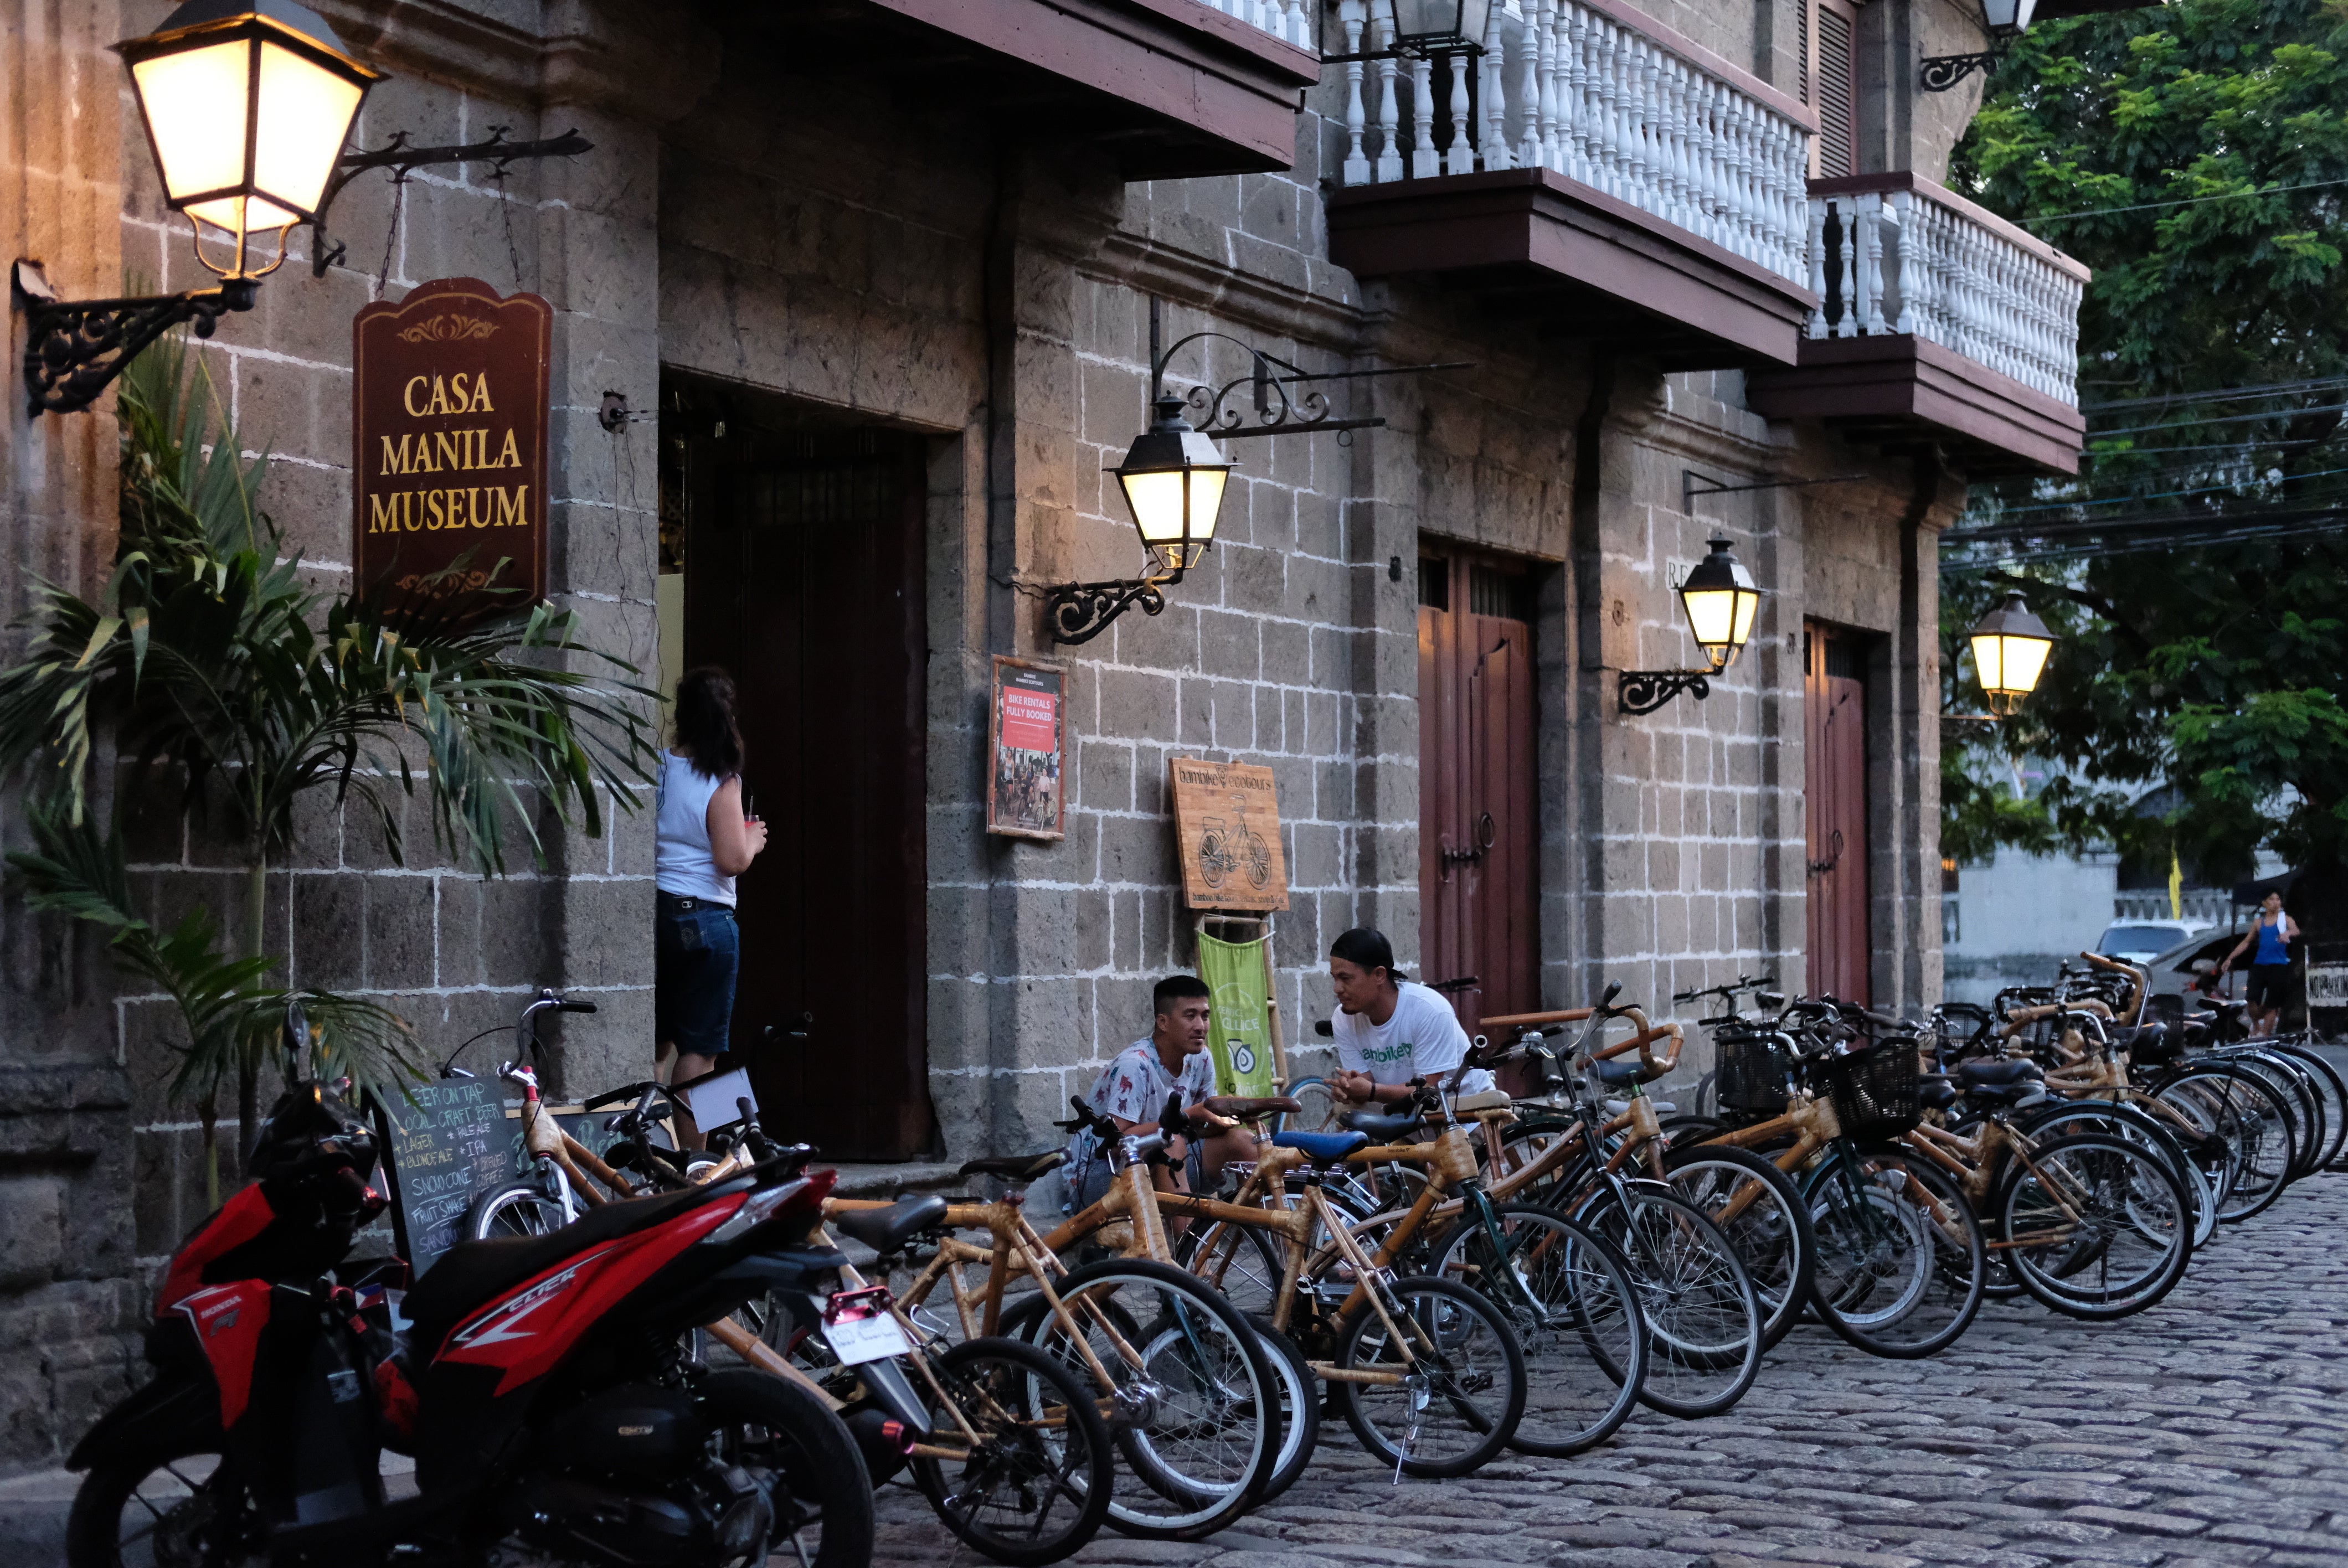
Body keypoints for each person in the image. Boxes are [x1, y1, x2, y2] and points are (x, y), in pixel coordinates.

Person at [655, 668, 768, 1138]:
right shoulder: (723, 778)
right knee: (702, 1054)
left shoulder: (658, 765)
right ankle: (699, 1161)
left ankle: (651, 1156)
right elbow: (729, 860)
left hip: (659, 914)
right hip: (706, 919)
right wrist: (754, 838)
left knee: (659, 1046)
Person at [1063, 975, 1257, 1215]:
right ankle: (1185, 1248)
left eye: (1205, 1016)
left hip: (1160, 1164)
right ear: (1163, 1022)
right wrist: (1186, 1117)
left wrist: (1224, 1120)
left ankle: (1271, 1242)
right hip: (1098, 1178)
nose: (1201, 1026)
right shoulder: (1135, 1065)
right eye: (1190, 1016)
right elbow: (1114, 1145)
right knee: (1170, 1142)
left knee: (1246, 1143)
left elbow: (1201, 1128)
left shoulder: (1202, 1058)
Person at [1326, 927, 1494, 1106]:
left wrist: (1371, 1091)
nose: (1337, 989)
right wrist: (1349, 1090)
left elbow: (1428, 1089)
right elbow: (1364, 1084)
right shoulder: (1343, 1019)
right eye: (1335, 978)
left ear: (1379, 975)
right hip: (1402, 1121)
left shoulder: (1429, 1010)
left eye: (1346, 978)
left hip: (1466, 1116)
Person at [2218, 889, 2301, 1039]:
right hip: (2260, 965)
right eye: (2272, 899)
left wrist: (2287, 934)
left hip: (2279, 965)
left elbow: (2296, 930)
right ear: (2265, 903)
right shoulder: (2259, 922)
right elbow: (2246, 942)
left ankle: (2265, 1035)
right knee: (2251, 1000)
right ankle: (2256, 1023)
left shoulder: (2285, 919)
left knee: (2273, 1004)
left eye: (2278, 900)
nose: (2276, 903)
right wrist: (2230, 958)